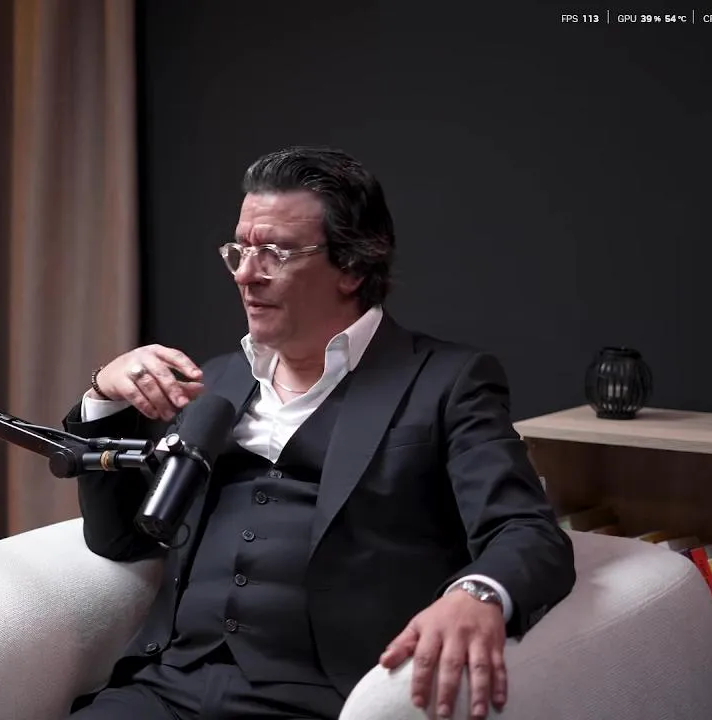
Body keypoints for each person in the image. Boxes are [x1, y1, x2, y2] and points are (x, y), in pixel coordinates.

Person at [63, 146, 576, 720]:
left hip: (323, 700)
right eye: (240, 250)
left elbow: (528, 531)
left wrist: (476, 595)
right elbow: (121, 540)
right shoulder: (217, 381)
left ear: (352, 266)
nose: (245, 274)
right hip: (166, 689)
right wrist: (103, 396)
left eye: (275, 253)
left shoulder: (447, 382)